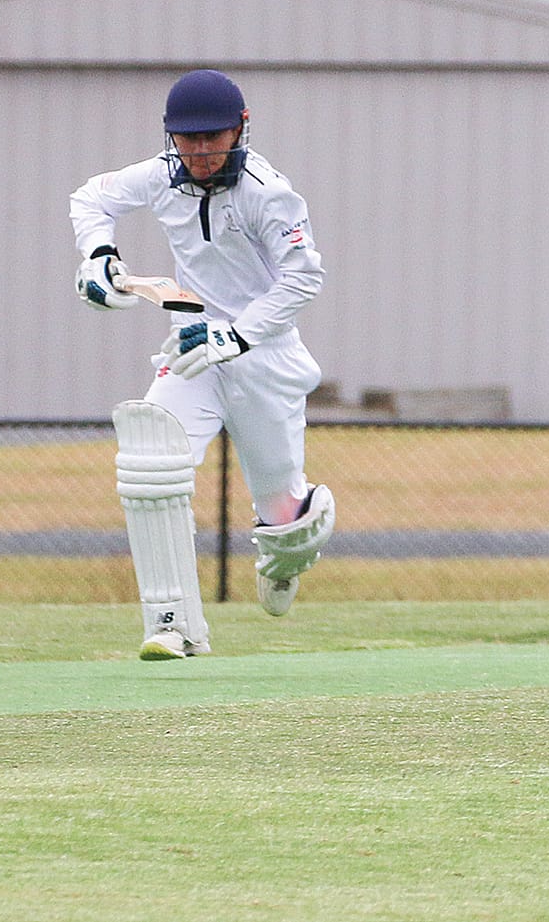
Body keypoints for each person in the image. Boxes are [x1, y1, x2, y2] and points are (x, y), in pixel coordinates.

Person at [72, 68, 335, 660]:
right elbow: (91, 197)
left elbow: (304, 277)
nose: (199, 153)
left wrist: (238, 335)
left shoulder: (269, 193)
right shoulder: (163, 176)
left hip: (264, 355)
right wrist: (98, 257)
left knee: (281, 509)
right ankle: (172, 625)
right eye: (187, 141)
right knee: (150, 463)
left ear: (240, 129)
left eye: (212, 138)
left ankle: (292, 542)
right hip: (191, 350)